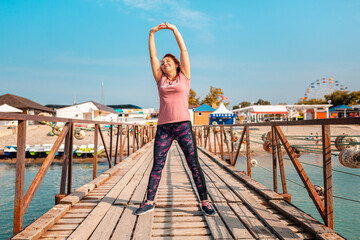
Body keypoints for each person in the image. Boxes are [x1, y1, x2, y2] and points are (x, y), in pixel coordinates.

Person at [134, 22, 216, 216]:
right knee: (157, 164)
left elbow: (184, 49)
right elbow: (152, 56)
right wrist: (151, 33)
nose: (164, 63)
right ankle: (149, 201)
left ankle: (205, 202)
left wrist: (173, 29)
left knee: (193, 163)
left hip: (183, 126)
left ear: (177, 64)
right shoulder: (160, 79)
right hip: (163, 127)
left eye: (168, 61)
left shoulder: (184, 76)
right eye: (163, 62)